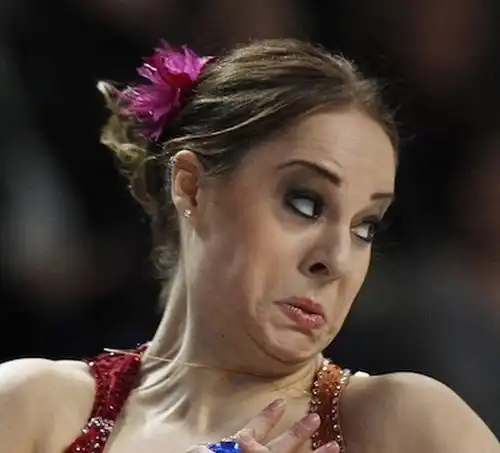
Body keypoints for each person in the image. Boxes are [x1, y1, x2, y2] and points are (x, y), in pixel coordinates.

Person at [0, 38, 498, 453]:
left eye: (365, 226)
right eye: (305, 203)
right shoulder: (32, 406)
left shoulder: (405, 424)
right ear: (192, 188)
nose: (337, 259)